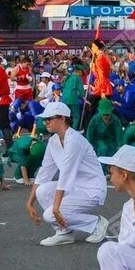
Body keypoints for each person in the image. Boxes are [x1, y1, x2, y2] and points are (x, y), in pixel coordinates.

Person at [26, 101, 109, 246]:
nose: (45, 123)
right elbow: (44, 172)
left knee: (50, 214)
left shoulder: (74, 141)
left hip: (91, 190)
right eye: (44, 119)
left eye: (49, 119)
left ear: (62, 119)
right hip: (74, 187)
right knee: (42, 190)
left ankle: (96, 223)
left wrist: (56, 209)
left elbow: (66, 174)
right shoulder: (53, 141)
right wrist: (29, 203)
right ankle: (64, 232)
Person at [85, 98, 124, 163]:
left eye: (107, 114)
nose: (105, 117)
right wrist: (88, 145)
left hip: (111, 140)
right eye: (103, 114)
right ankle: (100, 168)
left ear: (112, 110)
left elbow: (119, 134)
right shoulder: (95, 119)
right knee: (102, 148)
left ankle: (110, 169)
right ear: (99, 111)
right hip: (98, 139)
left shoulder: (115, 120)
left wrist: (120, 146)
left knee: (114, 151)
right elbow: (89, 133)